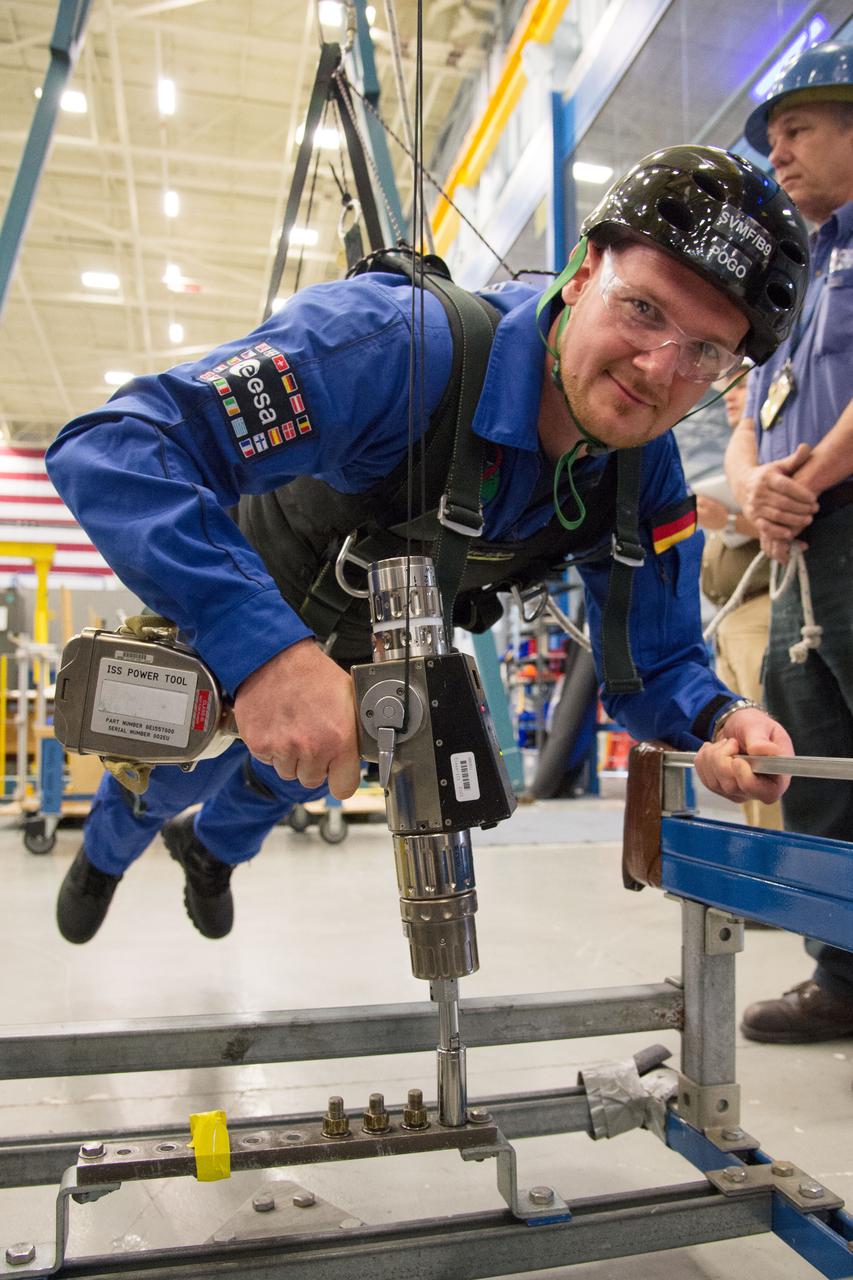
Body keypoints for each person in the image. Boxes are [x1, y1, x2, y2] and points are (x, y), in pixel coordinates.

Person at [47, 144, 808, 945]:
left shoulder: (640, 478)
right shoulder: (397, 348)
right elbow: (116, 445)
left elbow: (653, 664)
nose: (657, 368)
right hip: (234, 601)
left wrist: (720, 718)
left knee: (287, 782)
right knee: (164, 775)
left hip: (371, 653)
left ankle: (210, 858)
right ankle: (104, 859)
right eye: (643, 309)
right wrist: (264, 650)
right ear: (583, 273)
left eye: (703, 353)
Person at [725, 42, 853, 1042]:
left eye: (798, 130)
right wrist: (753, 488)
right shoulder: (794, 277)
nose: (779, 153)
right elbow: (741, 414)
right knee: (812, 758)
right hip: (799, 542)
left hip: (834, 520)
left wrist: (798, 486)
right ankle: (841, 975)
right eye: (771, 139)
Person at [696, 376, 781, 830]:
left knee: (764, 742)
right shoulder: (738, 463)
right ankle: (759, 839)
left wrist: (727, 518)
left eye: (742, 387)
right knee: (739, 746)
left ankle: (778, 847)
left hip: (761, 611)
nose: (729, 395)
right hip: (732, 619)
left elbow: (786, 524)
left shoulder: (773, 460)